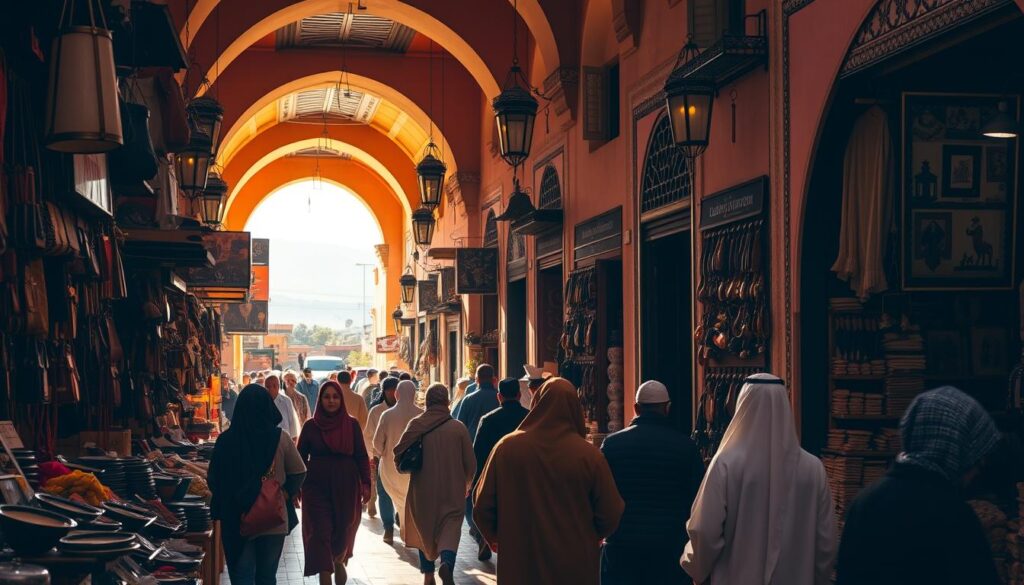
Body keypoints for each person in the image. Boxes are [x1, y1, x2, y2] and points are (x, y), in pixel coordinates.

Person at [835, 386, 1002, 585]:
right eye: (975, 461)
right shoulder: (954, 516)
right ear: (955, 449)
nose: (975, 473)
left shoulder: (863, 504)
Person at [681, 373, 836, 585]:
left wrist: (697, 568)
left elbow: (705, 531)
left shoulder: (726, 464)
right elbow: (826, 543)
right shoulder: (813, 469)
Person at [473, 377, 624, 585]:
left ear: (537, 403)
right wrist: (593, 535)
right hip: (575, 564)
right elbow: (611, 510)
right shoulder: (589, 456)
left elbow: (482, 504)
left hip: (521, 562)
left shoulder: (506, 448)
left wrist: (495, 537)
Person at [601, 380, 705, 584]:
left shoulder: (612, 445)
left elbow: (600, 495)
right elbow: (698, 502)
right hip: (669, 550)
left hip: (622, 549)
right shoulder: (686, 448)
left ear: (636, 408)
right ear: (667, 409)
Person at [209, 385, 306, 585]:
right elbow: (299, 471)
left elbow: (214, 479)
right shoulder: (280, 438)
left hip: (237, 518)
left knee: (242, 576)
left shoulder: (226, 441)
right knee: (266, 577)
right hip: (273, 518)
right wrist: (286, 493)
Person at [396, 384, 476, 585]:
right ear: (446, 402)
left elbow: (398, 453)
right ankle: (447, 563)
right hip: (453, 490)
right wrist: (465, 484)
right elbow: (471, 464)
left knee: (425, 529)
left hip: (423, 491)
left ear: (428, 401)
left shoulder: (416, 424)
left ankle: (428, 574)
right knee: (450, 529)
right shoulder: (458, 428)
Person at [297, 380, 371, 585]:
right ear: (320, 399)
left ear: (341, 399)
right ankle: (324, 574)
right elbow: (299, 457)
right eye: (327, 396)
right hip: (316, 487)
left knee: (343, 529)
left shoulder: (352, 424)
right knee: (320, 532)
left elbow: (361, 456)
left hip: (347, 486)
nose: (331, 401)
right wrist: (295, 487)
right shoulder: (311, 426)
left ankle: (338, 560)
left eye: (335, 396)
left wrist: (366, 483)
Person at [454, 364, 499, 554]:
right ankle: (489, 533)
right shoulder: (500, 398)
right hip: (498, 454)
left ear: (477, 379)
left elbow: (458, 425)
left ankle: (479, 531)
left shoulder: (468, 399)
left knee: (471, 495)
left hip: (473, 454)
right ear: (494, 378)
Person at [373, 380, 423, 544]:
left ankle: (388, 529)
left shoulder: (387, 415)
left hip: (389, 467)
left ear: (397, 394)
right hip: (414, 469)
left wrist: (382, 454)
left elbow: (377, 443)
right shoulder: (422, 414)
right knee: (411, 500)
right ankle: (409, 530)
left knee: (385, 494)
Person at [472, 377, 528, 485]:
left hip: (497, 481)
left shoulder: (487, 420)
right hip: (524, 480)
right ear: (519, 395)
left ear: (499, 397)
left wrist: (475, 485)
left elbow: (479, 456)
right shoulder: (530, 417)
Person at [365, 376, 400, 540]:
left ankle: (403, 522)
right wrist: (374, 457)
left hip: (403, 462)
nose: (393, 394)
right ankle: (388, 527)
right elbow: (368, 436)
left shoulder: (411, 411)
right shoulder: (377, 411)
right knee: (384, 493)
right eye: (390, 390)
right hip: (382, 461)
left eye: (396, 390)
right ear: (384, 391)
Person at [265, 373, 300, 440]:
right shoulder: (262, 401)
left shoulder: (286, 401)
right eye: (266, 387)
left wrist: (293, 442)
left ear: (277, 387)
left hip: (284, 441)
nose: (266, 389)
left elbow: (293, 425)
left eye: (268, 387)